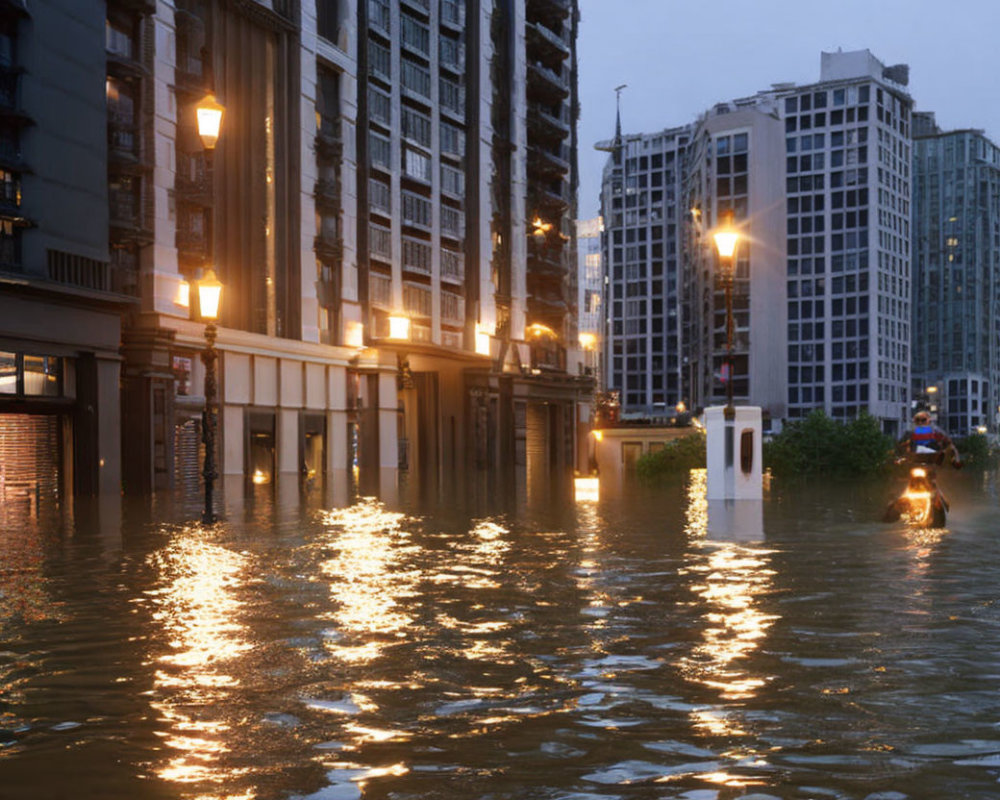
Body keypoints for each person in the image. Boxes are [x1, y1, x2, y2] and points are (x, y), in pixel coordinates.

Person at [896, 411, 961, 468]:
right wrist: (898, 458)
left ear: (929, 421)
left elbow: (950, 445)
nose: (920, 423)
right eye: (918, 420)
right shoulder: (909, 433)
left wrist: (956, 460)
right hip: (914, 461)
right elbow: (900, 446)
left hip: (933, 462)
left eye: (923, 420)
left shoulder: (936, 432)